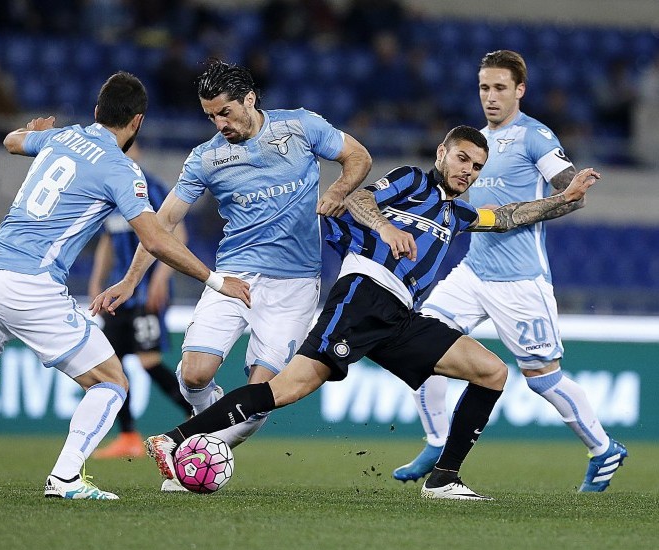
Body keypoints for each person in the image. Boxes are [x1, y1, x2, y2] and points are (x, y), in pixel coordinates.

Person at [133, 126, 601, 501]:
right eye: (462, 159)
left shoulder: (458, 215)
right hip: (362, 294)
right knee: (287, 389)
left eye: (477, 166)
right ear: (442, 153)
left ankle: (444, 479)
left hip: (400, 316)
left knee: (491, 372)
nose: (469, 171)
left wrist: (565, 198)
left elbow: (509, 215)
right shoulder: (413, 181)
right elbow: (358, 199)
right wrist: (383, 227)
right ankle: (175, 437)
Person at [0, 71, 250, 500]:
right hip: (30, 283)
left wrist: (33, 131)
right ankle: (66, 477)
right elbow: (156, 238)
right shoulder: (121, 169)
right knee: (112, 383)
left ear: (96, 112)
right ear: (137, 122)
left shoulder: (63, 138)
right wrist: (214, 278)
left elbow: (12, 142)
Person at [97, 59, 372, 491]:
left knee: (260, 397)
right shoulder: (206, 158)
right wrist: (132, 280)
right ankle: (206, 425)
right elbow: (164, 221)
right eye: (210, 116)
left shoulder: (301, 127)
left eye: (225, 112)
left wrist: (338, 189)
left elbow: (358, 155)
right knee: (193, 374)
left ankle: (192, 455)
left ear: (249, 99)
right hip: (233, 276)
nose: (219, 123)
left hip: (294, 285)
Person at [392, 50, 627, 493]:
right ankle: (438, 441)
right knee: (422, 342)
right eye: (484, 88)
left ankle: (602, 448)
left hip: (520, 281)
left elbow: (572, 195)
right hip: (473, 271)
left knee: (543, 379)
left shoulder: (535, 137)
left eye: (500, 88)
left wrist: (534, 205)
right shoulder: (476, 142)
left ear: (520, 90)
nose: (491, 97)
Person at [88, 143, 192, 459]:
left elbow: (178, 233)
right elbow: (108, 238)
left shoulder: (152, 186)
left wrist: (161, 277)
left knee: (148, 361)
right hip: (118, 294)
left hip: (146, 291)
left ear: (138, 153)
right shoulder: (110, 192)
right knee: (110, 364)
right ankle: (129, 435)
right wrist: (96, 281)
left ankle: (198, 415)